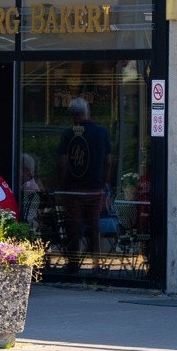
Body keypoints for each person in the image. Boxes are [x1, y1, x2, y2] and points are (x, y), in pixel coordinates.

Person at [58, 97, 114, 270]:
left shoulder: (68, 134)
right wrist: (104, 182)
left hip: (73, 189)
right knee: (94, 225)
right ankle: (96, 262)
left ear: (71, 115)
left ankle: (73, 262)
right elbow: (109, 161)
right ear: (87, 111)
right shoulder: (101, 132)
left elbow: (63, 163)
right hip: (95, 188)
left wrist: (62, 186)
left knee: (73, 226)